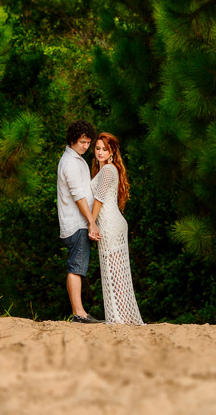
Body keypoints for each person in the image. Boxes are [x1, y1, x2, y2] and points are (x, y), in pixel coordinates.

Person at [89, 132, 144, 325]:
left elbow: (99, 199)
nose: (100, 152)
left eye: (105, 149)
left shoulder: (108, 171)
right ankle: (123, 316)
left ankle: (121, 318)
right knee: (116, 271)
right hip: (113, 223)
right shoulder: (106, 170)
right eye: (97, 148)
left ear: (112, 151)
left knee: (115, 272)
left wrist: (91, 223)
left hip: (110, 225)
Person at [56, 119, 102, 324]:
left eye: (88, 142)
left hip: (78, 222)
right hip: (76, 223)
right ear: (73, 139)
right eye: (83, 142)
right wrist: (91, 222)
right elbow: (78, 196)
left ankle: (79, 311)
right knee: (76, 267)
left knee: (77, 266)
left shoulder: (76, 159)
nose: (86, 146)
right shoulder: (69, 162)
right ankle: (79, 313)